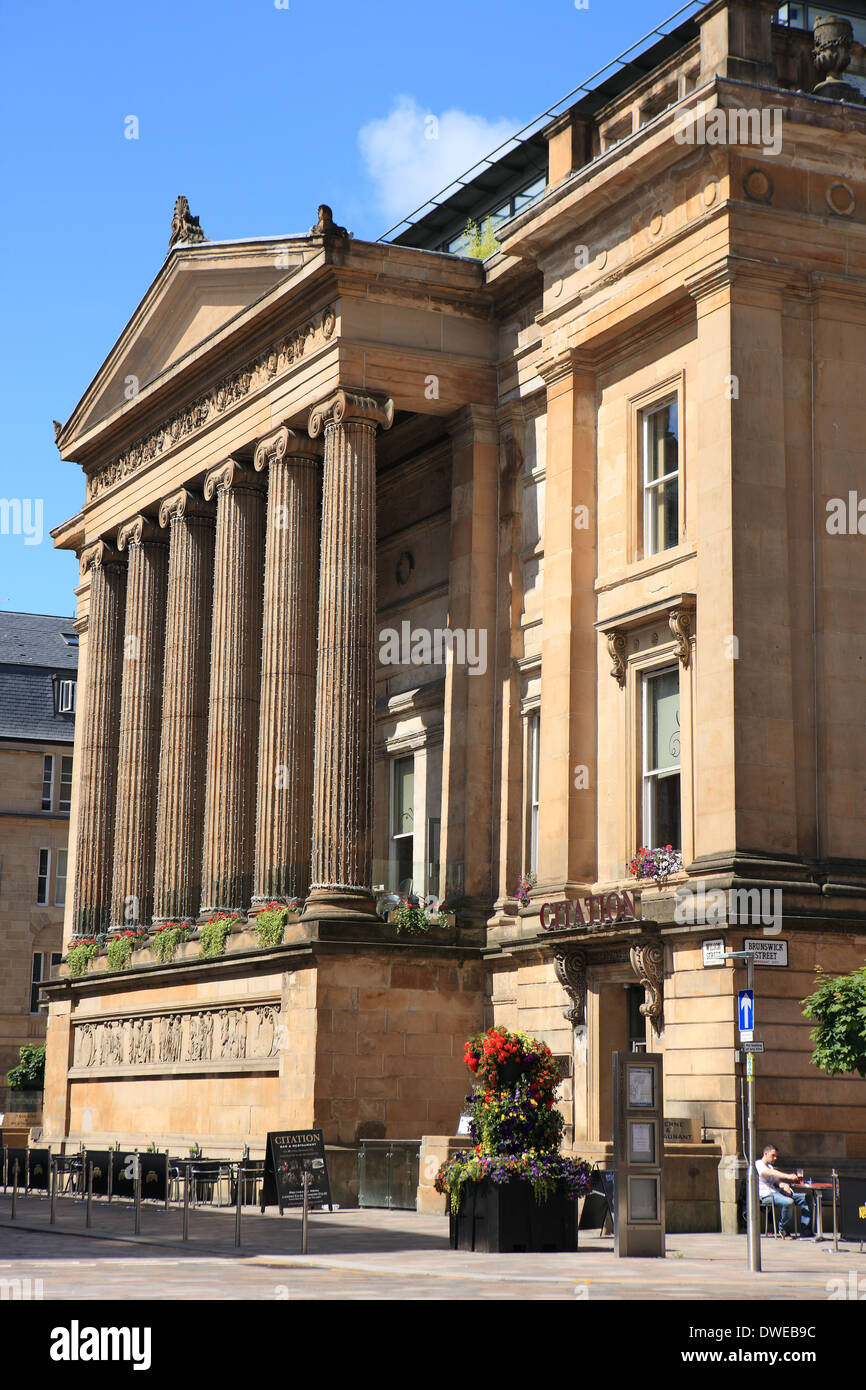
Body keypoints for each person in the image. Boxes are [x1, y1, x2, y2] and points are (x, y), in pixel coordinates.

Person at [755, 1144, 811, 1237]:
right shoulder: (758, 1164)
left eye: (776, 1156)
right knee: (788, 1202)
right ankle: (783, 1230)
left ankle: (806, 1230)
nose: (775, 1158)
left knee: (806, 1198)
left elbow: (777, 1182)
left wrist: (785, 1185)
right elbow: (769, 1173)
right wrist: (788, 1176)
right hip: (766, 1195)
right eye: (773, 1155)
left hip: (777, 1193)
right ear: (765, 1153)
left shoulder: (770, 1167)